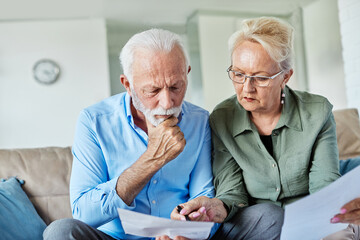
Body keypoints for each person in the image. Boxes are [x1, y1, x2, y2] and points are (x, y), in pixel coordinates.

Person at [43, 28, 220, 240]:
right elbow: (83, 213)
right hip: (115, 238)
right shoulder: (94, 121)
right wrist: (153, 158)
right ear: (128, 84)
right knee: (60, 232)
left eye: (175, 87)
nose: (167, 103)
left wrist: (190, 224)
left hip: (177, 236)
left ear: (186, 74)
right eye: (152, 91)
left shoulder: (200, 121)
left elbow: (205, 196)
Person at [205, 16, 357, 239]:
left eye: (261, 78)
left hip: (312, 212)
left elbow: (324, 187)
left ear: (285, 77)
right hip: (261, 220)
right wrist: (217, 208)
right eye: (238, 74)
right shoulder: (221, 119)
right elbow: (232, 192)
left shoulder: (317, 112)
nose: (247, 88)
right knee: (269, 215)